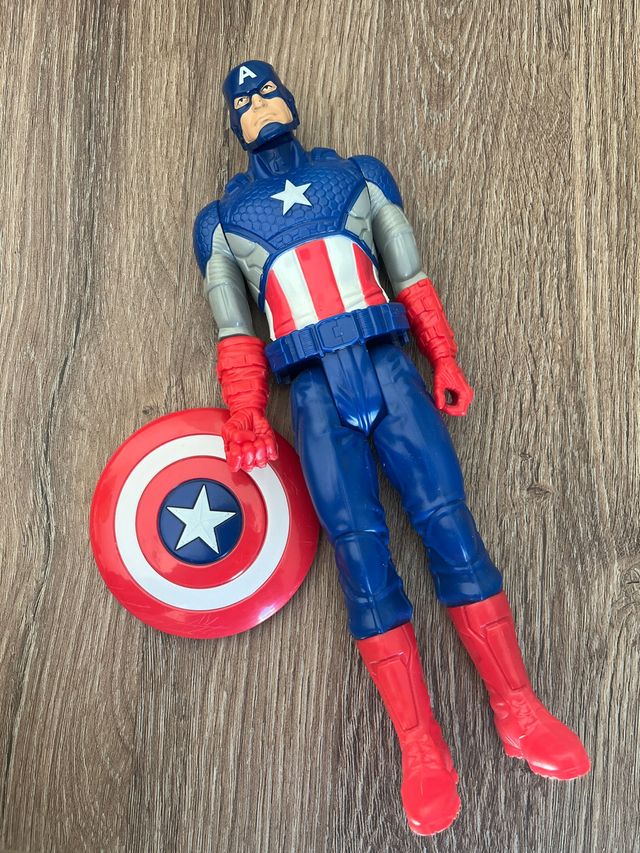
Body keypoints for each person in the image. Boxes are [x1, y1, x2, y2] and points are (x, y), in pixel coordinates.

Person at [193, 60, 589, 836]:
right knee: (361, 560)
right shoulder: (222, 220)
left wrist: (444, 356)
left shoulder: (358, 176)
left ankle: (519, 707)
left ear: (291, 99)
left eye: (268, 92)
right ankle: (421, 747)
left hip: (390, 367)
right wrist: (245, 413)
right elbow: (234, 330)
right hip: (312, 391)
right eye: (244, 101)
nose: (259, 105)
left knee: (453, 528)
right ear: (232, 123)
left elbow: (411, 277)